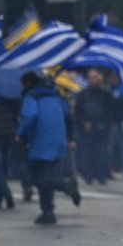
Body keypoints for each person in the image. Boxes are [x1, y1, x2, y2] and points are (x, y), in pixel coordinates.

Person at [16, 71, 81, 225]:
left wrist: (21, 134)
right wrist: (70, 137)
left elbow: (30, 117)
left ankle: (65, 188)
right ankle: (48, 212)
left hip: (40, 142)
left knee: (39, 179)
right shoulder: (57, 96)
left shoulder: (32, 97)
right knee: (49, 176)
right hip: (59, 141)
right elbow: (68, 118)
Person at [74, 69, 115, 184]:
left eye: (95, 77)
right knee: (88, 153)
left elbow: (110, 110)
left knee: (102, 153)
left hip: (102, 128)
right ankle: (89, 175)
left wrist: (107, 123)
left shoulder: (106, 94)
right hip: (87, 129)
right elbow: (78, 112)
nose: (93, 80)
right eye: (91, 78)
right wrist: (84, 123)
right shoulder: (82, 94)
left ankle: (101, 175)